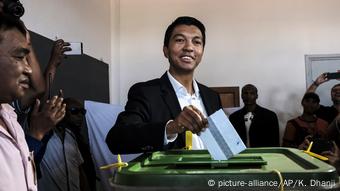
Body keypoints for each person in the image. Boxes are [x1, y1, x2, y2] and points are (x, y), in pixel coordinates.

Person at [106, 16, 222, 154]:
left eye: (197, 42)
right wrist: (171, 127)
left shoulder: (212, 97)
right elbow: (116, 140)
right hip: (172, 176)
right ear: (165, 50)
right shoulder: (146, 92)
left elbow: (224, 149)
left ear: (202, 52)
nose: (189, 47)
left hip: (213, 175)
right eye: (180, 40)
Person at [39, 98, 96, 191]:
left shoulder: (72, 136)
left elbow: (80, 168)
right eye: (75, 111)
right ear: (61, 111)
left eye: (83, 112)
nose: (80, 115)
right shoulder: (42, 135)